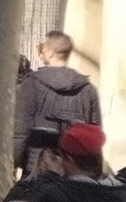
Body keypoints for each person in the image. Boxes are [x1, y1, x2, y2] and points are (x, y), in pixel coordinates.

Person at [13, 30, 101, 165]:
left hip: (37, 164)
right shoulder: (88, 89)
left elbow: (20, 130)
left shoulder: (31, 84)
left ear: (49, 52)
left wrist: (18, 161)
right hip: (74, 166)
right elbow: (95, 134)